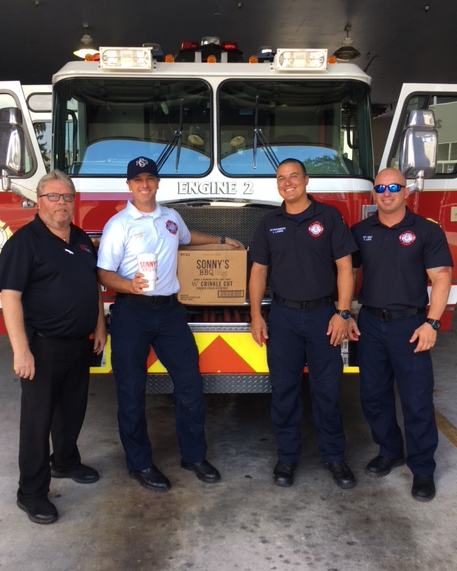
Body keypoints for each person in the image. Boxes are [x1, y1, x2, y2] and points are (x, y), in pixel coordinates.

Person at [97, 156, 243, 492]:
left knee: (190, 385)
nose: (144, 185)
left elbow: (187, 239)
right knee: (131, 391)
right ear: (129, 185)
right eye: (138, 180)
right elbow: (103, 273)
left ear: (157, 183)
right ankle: (139, 464)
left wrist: (222, 240)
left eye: (149, 178)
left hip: (169, 312)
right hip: (132, 312)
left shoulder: (171, 218)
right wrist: (128, 285)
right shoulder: (119, 225)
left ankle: (194, 456)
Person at [0, 170, 106, 524]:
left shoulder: (80, 238)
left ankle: (65, 462)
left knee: (72, 412)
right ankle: (31, 493)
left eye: (67, 197)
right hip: (42, 348)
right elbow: (10, 298)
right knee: (37, 422)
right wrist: (21, 351)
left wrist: (99, 325)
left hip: (79, 344)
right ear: (39, 201)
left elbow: (91, 285)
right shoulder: (24, 243)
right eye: (54, 197)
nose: (62, 203)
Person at [249, 158, 357, 489]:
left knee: (327, 391)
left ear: (306, 181)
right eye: (281, 178)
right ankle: (287, 458)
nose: (287, 183)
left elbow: (345, 267)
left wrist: (342, 313)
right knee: (284, 391)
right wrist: (256, 315)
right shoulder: (269, 223)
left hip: (324, 316)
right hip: (283, 317)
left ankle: (334, 457)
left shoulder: (329, 217)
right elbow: (258, 272)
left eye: (294, 176)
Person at [348, 167, 452, 502]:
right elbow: (346, 271)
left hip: (411, 326)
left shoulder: (426, 231)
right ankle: (390, 450)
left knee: (416, 400)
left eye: (394, 187)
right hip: (370, 324)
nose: (387, 193)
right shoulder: (361, 231)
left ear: (407, 192)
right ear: (373, 194)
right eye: (380, 188)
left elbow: (441, 277)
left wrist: (432, 323)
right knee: (373, 396)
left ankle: (422, 469)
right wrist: (345, 312)